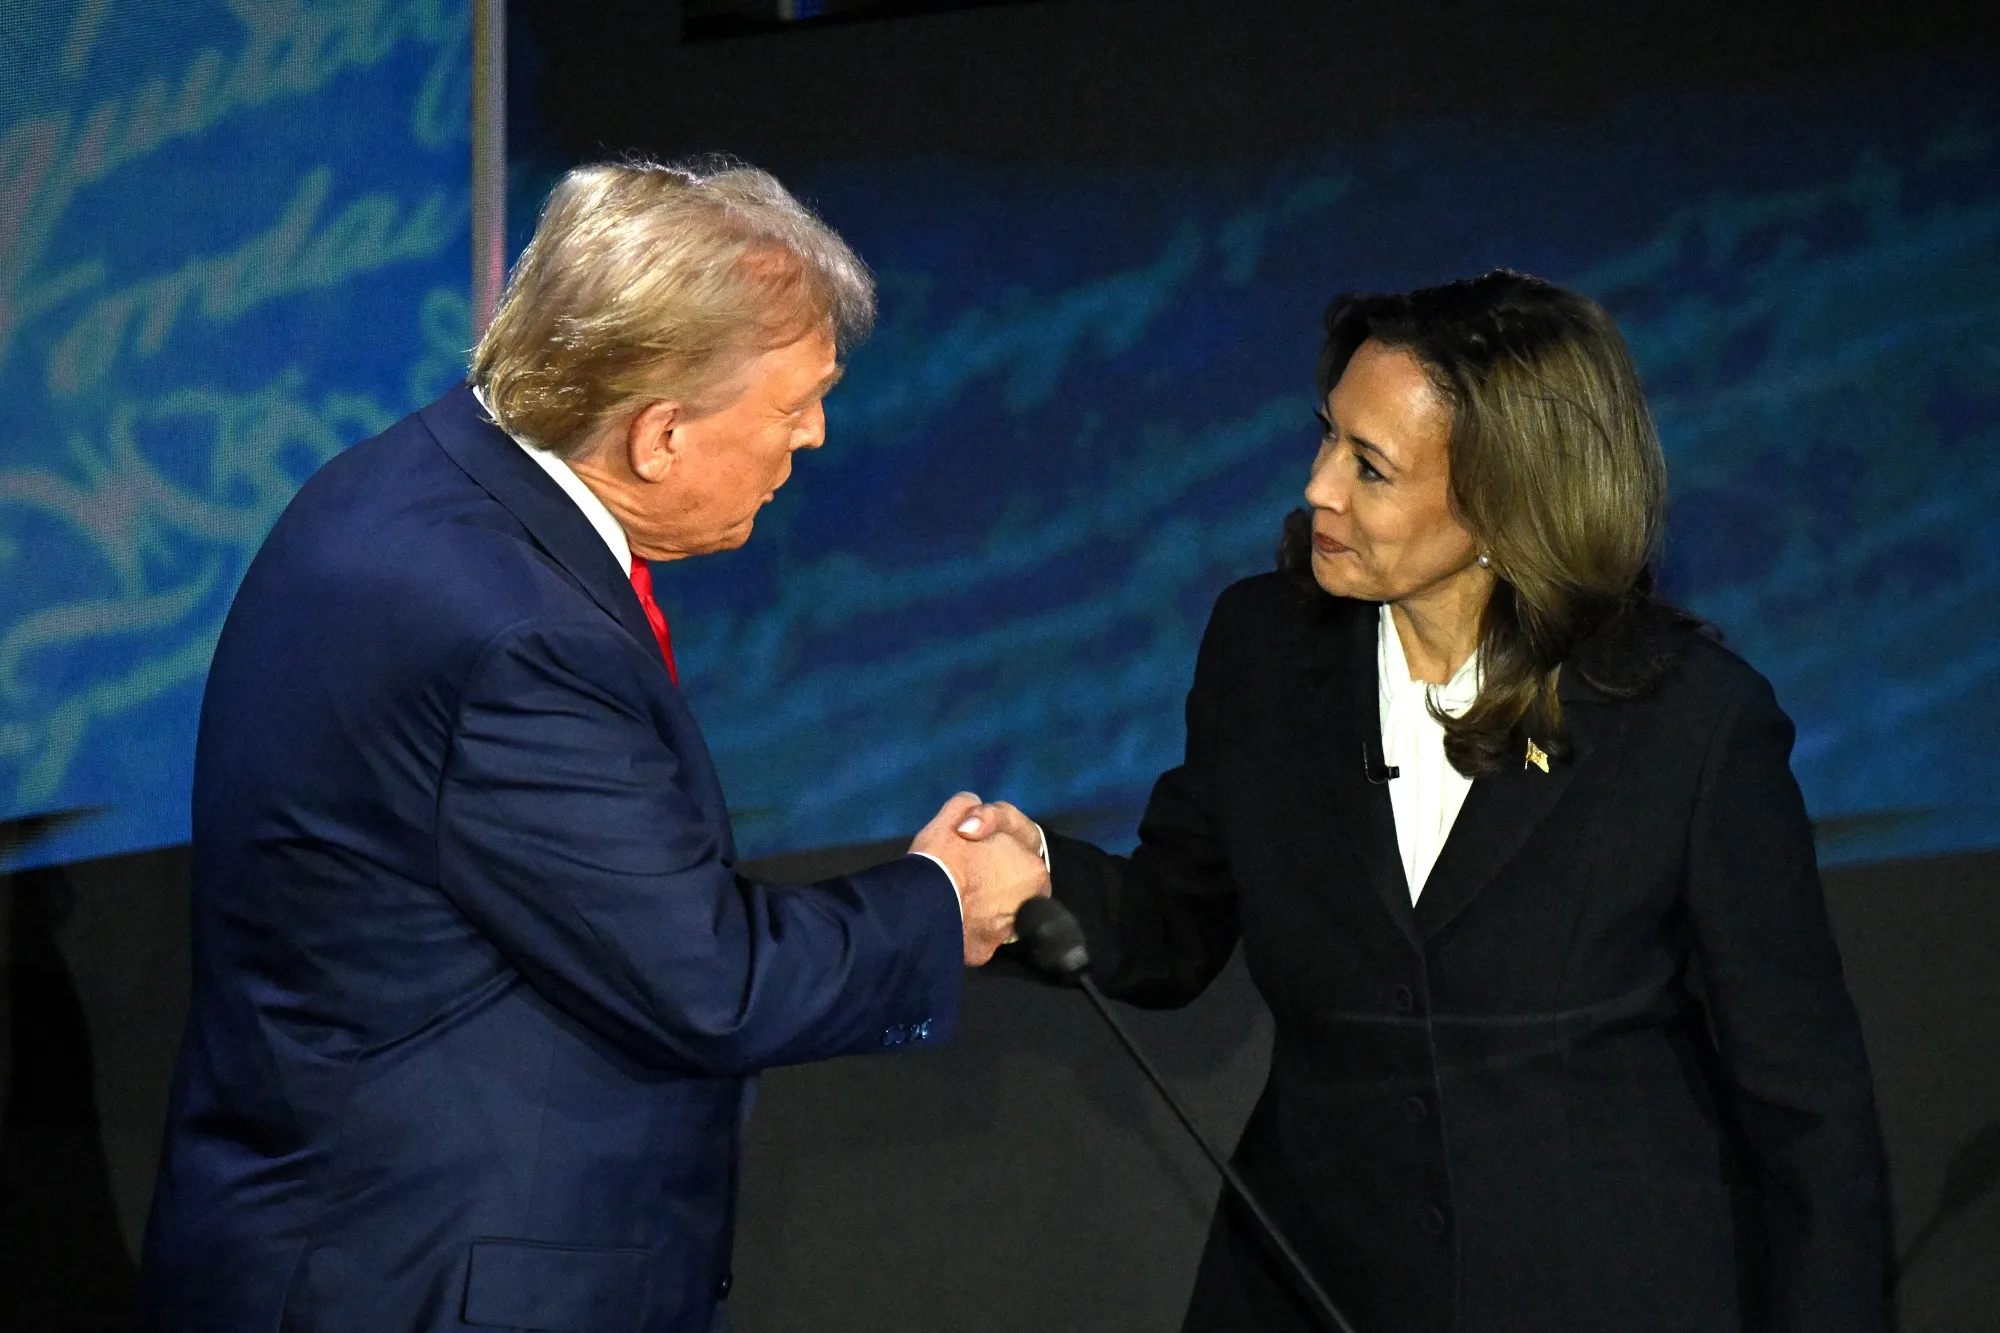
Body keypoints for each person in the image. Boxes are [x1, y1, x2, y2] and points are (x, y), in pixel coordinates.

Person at [138, 160, 1048, 1333]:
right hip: (430, 1282)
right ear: (660, 433)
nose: (813, 438)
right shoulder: (516, 636)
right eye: (791, 408)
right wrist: (940, 898)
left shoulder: (411, 480)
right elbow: (708, 980)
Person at [960, 271, 1889, 1332]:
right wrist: (1034, 877)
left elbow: (1807, 1106)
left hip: (1603, 1290)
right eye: (1325, 441)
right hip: (1316, 1285)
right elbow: (1175, 923)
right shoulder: (1264, 652)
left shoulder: (1688, 722)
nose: (1318, 488)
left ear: (1503, 499)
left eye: (1370, 467)